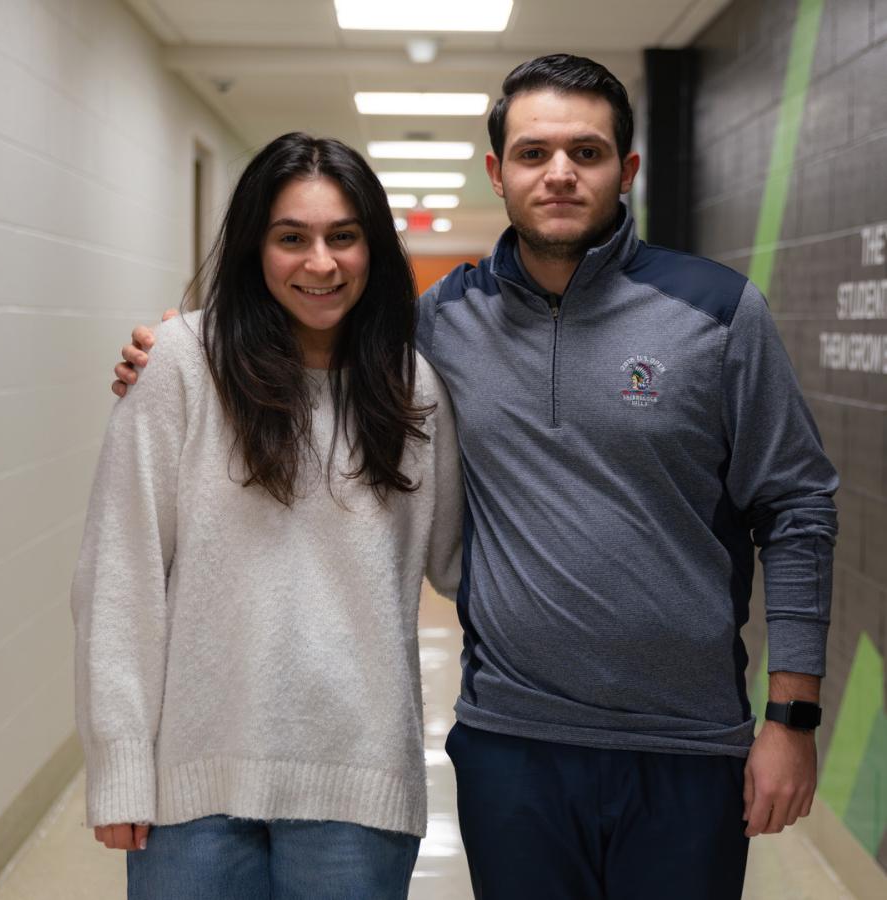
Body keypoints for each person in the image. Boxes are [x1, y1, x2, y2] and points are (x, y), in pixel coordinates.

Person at [112, 55, 839, 900]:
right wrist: (180, 353)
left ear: (626, 170)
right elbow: (313, 348)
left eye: (586, 152)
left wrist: (791, 718)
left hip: (685, 745)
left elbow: (796, 510)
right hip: (512, 744)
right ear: (497, 172)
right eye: (533, 153)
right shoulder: (436, 327)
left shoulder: (718, 313)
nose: (559, 173)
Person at [73, 132, 462, 900]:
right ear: (256, 246)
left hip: (359, 787)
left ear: (374, 249)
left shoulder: (412, 388)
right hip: (191, 789)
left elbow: (459, 564)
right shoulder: (182, 365)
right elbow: (122, 575)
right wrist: (118, 765)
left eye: (343, 237)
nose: (321, 263)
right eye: (292, 238)